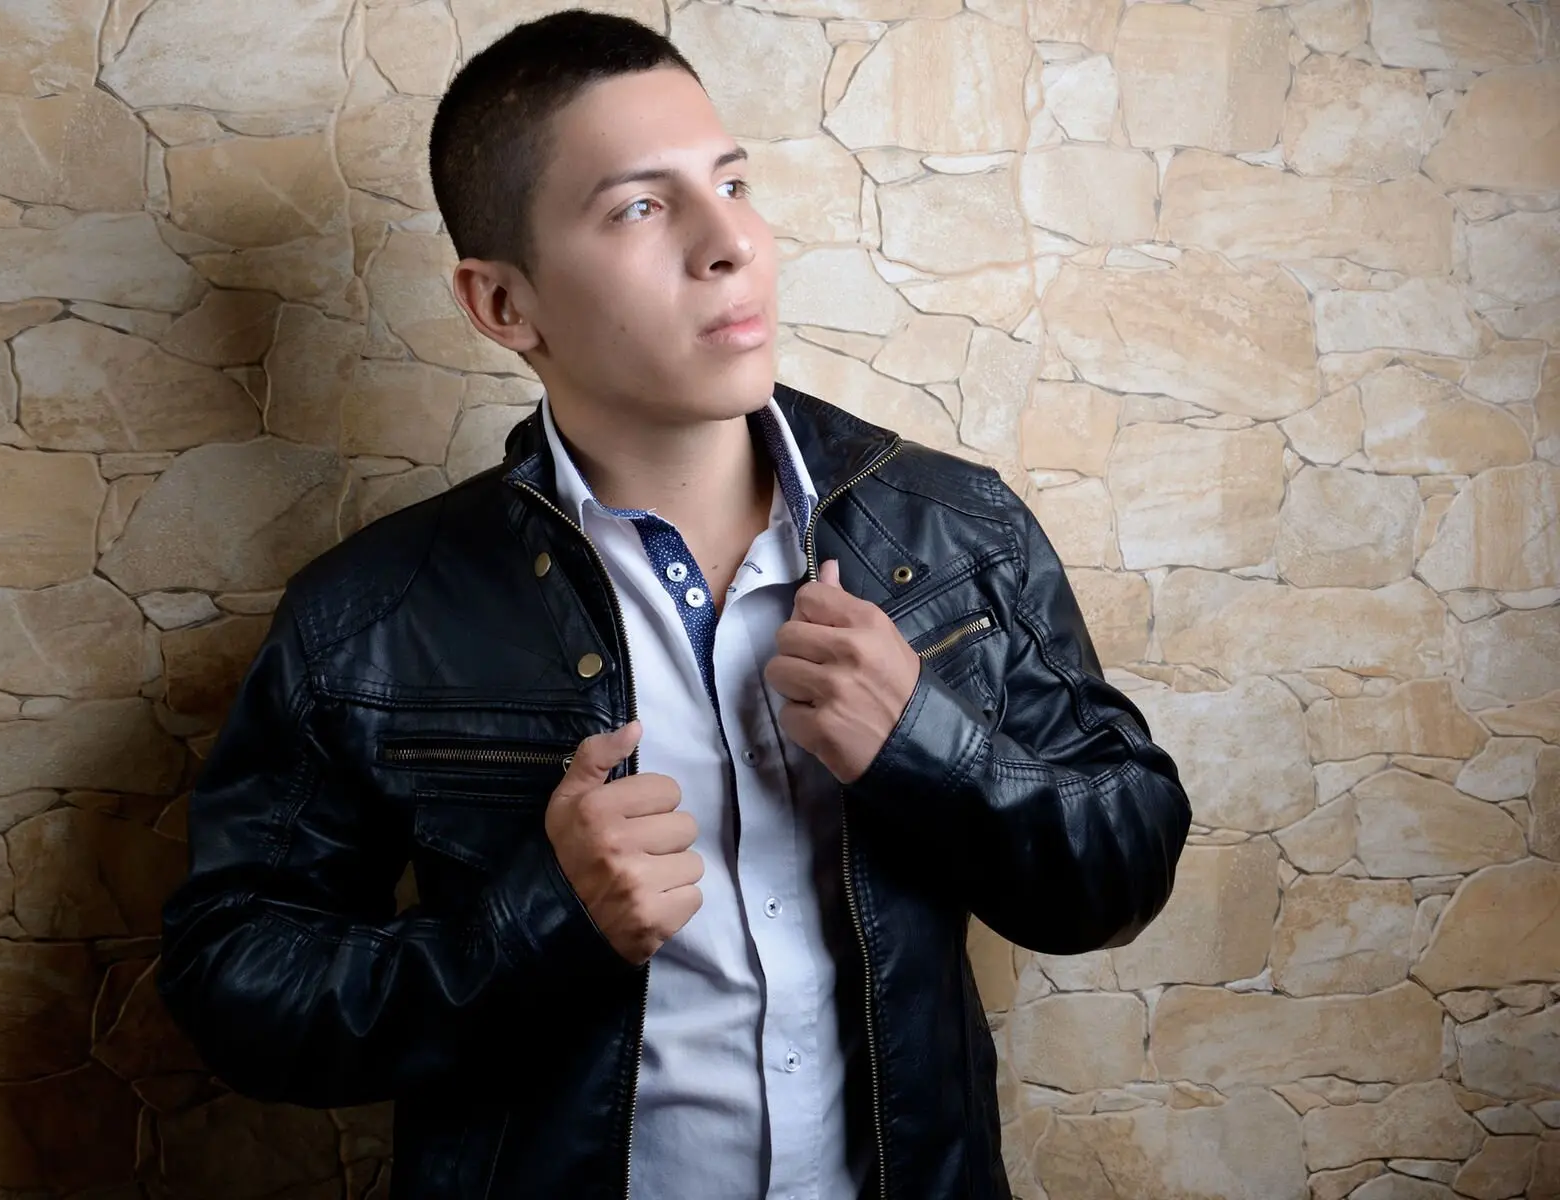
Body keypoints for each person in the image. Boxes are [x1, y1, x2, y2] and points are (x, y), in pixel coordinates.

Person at [157, 10, 1191, 1199]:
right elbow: (233, 987)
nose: (730, 243)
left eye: (732, 184)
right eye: (640, 207)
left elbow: (1122, 871)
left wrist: (931, 749)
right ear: (503, 305)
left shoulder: (955, 531)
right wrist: (531, 927)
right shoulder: (367, 618)